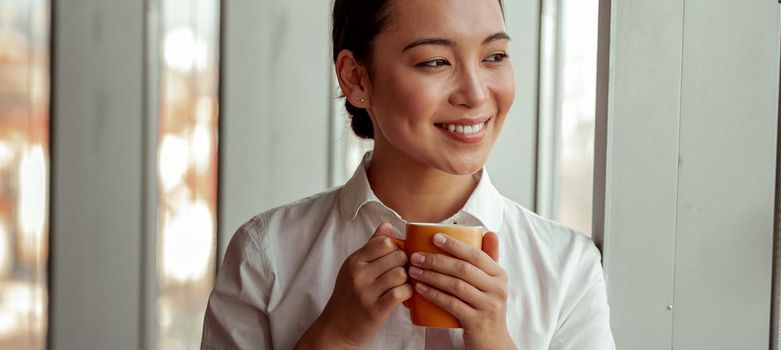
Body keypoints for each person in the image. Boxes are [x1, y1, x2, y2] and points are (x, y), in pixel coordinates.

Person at [200, 0, 615, 348]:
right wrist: (332, 338)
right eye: (436, 61)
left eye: (494, 56)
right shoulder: (265, 255)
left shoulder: (567, 270)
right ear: (355, 77)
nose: (475, 94)